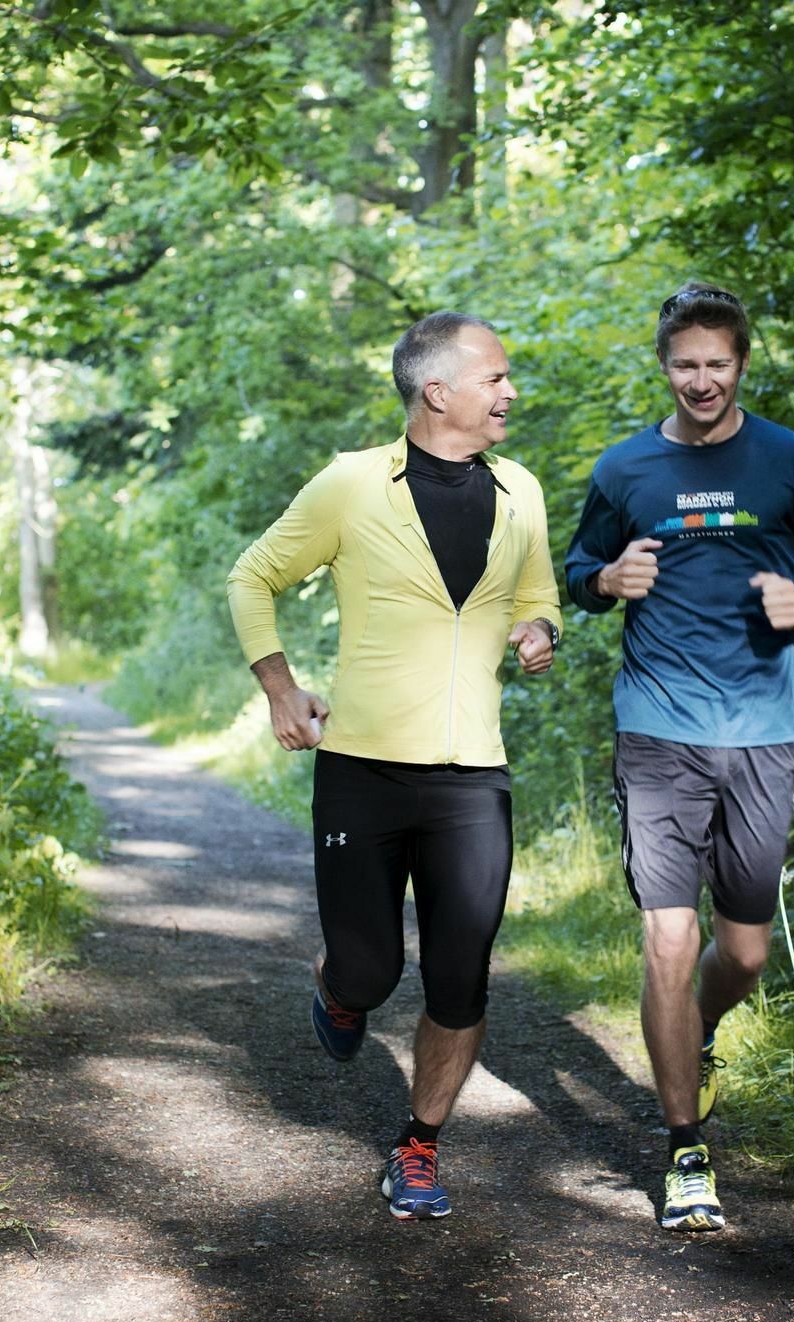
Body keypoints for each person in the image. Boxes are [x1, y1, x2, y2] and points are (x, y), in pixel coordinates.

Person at [227, 311, 560, 1221]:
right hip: (364, 769)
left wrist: (540, 630)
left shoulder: (520, 489)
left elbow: (539, 595)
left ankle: (418, 1145)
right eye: (494, 377)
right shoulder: (350, 485)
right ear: (437, 390)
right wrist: (281, 689)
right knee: (372, 972)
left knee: (462, 975)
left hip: (473, 776)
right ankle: (339, 989)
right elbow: (252, 576)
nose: (509, 392)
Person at [563, 282, 794, 1232]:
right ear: (665, 365)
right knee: (669, 934)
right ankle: (686, 1149)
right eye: (685, 364)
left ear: (743, 363)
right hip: (657, 726)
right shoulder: (625, 470)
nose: (702, 380)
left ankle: (701, 1028)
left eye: (718, 363)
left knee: (741, 952)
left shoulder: (790, 461)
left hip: (766, 728)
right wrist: (608, 578)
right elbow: (577, 573)